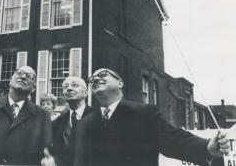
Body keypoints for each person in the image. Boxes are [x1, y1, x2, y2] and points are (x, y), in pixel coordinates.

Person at [74, 68, 230, 166]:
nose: (95, 79)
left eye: (103, 74)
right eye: (92, 80)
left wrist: (206, 147)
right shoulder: (84, 123)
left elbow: (172, 140)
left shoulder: (143, 113)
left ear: (120, 83)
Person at [52, 76, 94, 166]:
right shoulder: (57, 122)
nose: (69, 88)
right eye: (65, 87)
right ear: (63, 94)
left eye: (75, 85)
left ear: (85, 93)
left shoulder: (97, 117)